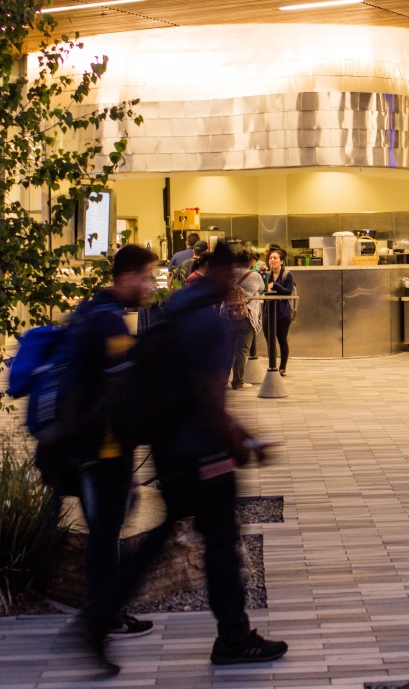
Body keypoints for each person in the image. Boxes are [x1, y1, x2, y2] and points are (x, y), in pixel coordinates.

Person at [91, 241, 288, 670]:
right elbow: (207, 396)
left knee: (163, 541)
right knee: (221, 544)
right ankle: (234, 637)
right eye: (234, 274)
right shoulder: (209, 322)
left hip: (170, 452)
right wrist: (240, 443)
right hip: (204, 455)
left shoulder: (175, 310)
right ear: (222, 273)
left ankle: (100, 615)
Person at [34, 245, 159, 666]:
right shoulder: (107, 320)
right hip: (100, 449)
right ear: (125, 277)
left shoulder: (91, 310)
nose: (149, 286)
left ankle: (106, 613)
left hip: (86, 445)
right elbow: (122, 385)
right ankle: (100, 619)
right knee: (106, 532)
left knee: (109, 525)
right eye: (145, 277)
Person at [226, 251, 264, 390]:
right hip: (246, 315)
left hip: (227, 315)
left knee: (227, 348)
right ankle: (237, 382)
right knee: (241, 350)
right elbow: (262, 288)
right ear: (249, 263)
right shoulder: (254, 275)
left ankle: (222, 379)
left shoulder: (228, 274)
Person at [262, 248, 295, 376]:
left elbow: (288, 292)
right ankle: (272, 366)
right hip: (267, 313)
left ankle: (282, 367)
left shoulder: (287, 274)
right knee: (269, 341)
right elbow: (262, 290)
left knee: (282, 340)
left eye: (275, 258)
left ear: (281, 261)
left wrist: (274, 285)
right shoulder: (266, 274)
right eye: (270, 258)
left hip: (282, 314)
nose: (272, 260)